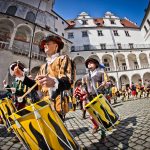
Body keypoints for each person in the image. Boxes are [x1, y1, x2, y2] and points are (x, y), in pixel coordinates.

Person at [12, 35, 75, 121]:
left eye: (47, 43)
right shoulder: (43, 66)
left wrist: (54, 82)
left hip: (58, 103)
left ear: (56, 46)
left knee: (57, 131)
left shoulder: (64, 58)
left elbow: (69, 81)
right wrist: (22, 77)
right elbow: (36, 86)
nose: (45, 45)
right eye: (44, 44)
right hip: (44, 103)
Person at [82, 58, 106, 138]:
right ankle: (96, 126)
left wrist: (105, 84)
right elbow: (83, 86)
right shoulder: (85, 76)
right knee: (92, 115)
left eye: (91, 63)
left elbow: (108, 82)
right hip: (89, 97)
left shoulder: (101, 73)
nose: (89, 64)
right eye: (88, 63)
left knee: (100, 114)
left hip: (99, 96)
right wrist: (83, 91)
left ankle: (103, 132)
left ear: (96, 64)